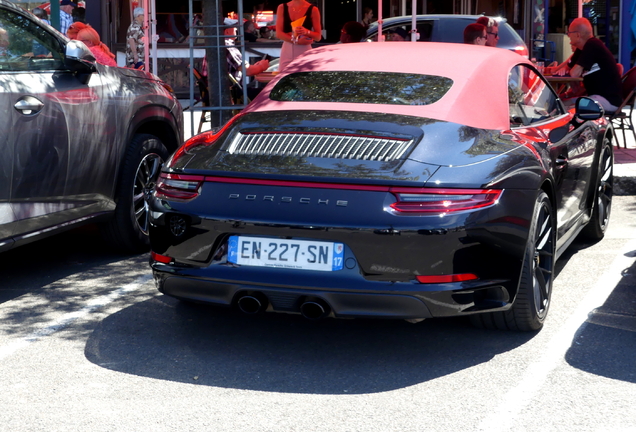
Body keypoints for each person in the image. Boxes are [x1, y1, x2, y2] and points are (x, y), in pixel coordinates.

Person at [565, 17, 622, 111]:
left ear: (578, 35)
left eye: (569, 33)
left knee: (565, 111)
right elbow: (568, 68)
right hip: (594, 97)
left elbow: (574, 73)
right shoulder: (582, 48)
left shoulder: (593, 45)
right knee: (559, 105)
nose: (568, 36)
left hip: (607, 100)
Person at [276, 0, 322, 72]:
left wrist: (306, 31)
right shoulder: (282, 7)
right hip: (288, 48)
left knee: (304, 78)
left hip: (304, 48)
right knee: (284, 77)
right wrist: (297, 41)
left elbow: (318, 37)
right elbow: (279, 34)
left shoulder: (313, 9)